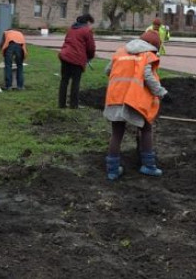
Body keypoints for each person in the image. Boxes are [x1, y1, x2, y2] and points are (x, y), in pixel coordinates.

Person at [104, 31, 171, 180]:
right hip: (134, 100)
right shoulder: (147, 55)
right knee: (146, 128)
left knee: (117, 133)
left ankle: (112, 170)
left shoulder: (120, 51)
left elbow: (108, 70)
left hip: (115, 97)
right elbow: (147, 76)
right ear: (154, 46)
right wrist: (162, 93)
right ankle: (148, 165)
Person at [58, 14, 96, 109]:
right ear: (87, 22)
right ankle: (74, 105)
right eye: (90, 23)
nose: (90, 26)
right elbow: (91, 47)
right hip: (76, 58)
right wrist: (90, 57)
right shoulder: (87, 31)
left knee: (64, 81)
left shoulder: (71, 29)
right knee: (75, 82)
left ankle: (61, 104)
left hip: (65, 56)